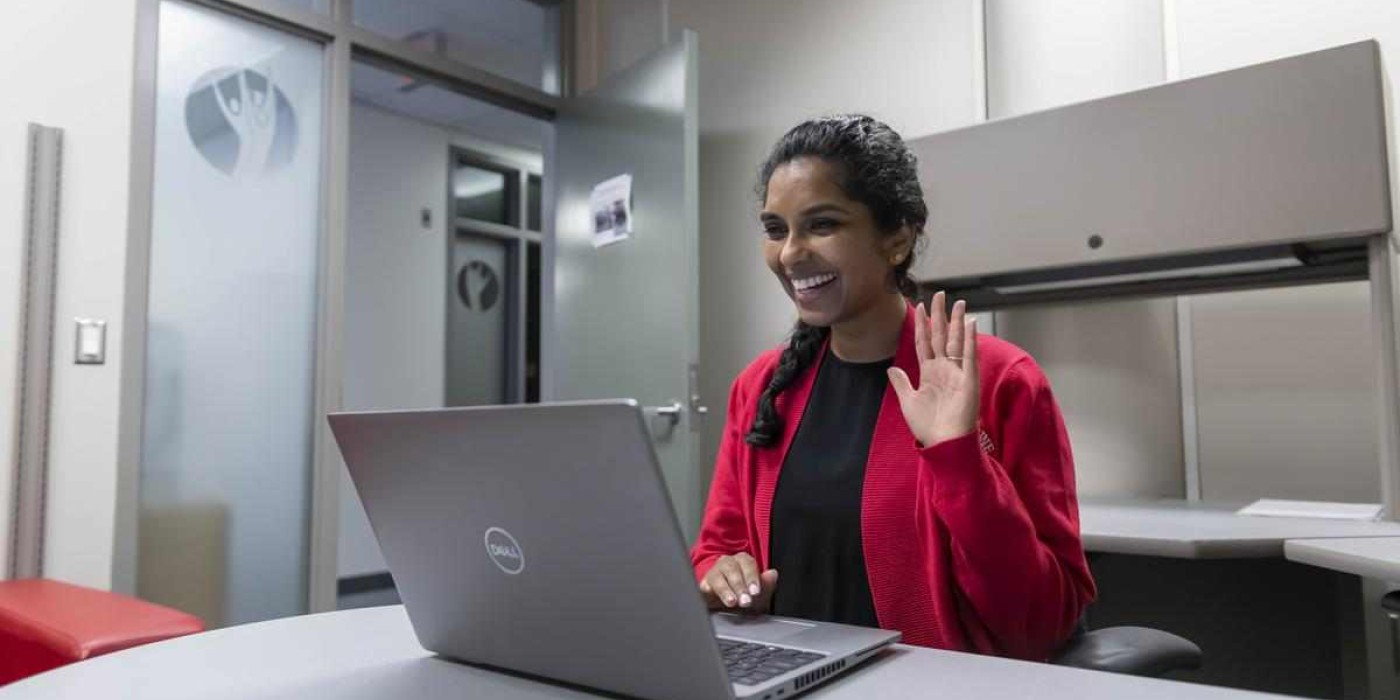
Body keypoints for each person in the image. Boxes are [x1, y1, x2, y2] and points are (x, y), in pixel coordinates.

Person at [689, 115, 1096, 661]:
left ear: (897, 239)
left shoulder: (1002, 380)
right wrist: (722, 576)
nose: (789, 254)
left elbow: (1043, 622)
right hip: (788, 677)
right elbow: (717, 549)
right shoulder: (761, 387)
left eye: (822, 224)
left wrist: (959, 459)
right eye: (775, 229)